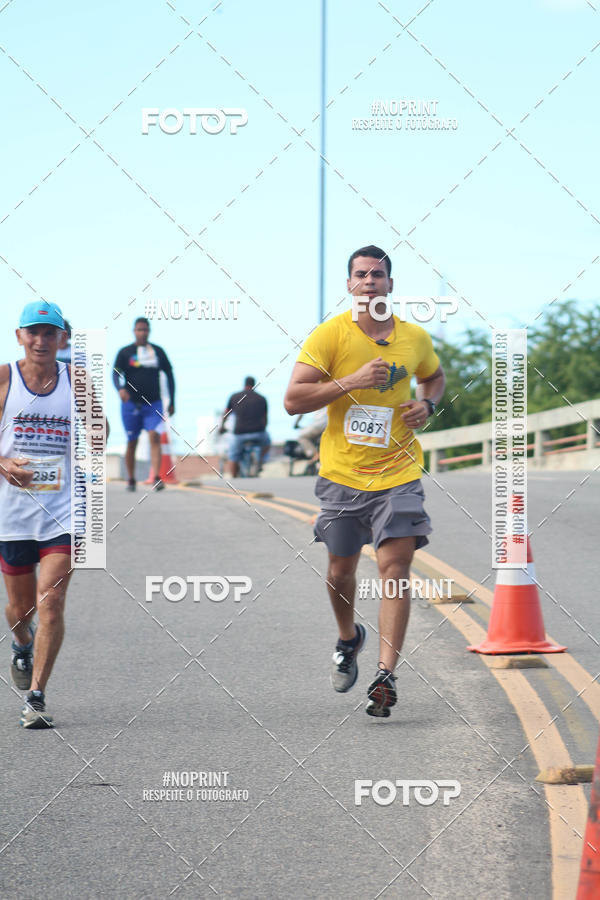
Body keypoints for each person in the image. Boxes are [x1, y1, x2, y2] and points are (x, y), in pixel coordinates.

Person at [284, 245, 446, 718]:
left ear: (391, 285)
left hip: (398, 473)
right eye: (361, 275)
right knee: (340, 572)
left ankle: (385, 673)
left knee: (394, 567)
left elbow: (433, 378)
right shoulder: (329, 336)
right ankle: (348, 637)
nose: (370, 282)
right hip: (342, 477)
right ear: (349, 285)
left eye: (378, 275)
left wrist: (428, 405)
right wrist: (350, 381)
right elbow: (293, 400)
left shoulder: (414, 338)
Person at [0, 301, 73, 728]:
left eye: (50, 333)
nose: (42, 341)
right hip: (11, 516)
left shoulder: (75, 380)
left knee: (53, 601)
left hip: (61, 513)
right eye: (34, 332)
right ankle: (20, 643)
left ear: (62, 338)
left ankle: (37, 696)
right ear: (20, 336)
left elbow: (99, 436)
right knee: (19, 609)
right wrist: (3, 463)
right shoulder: (5, 377)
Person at [113, 317, 175, 491]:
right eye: (139, 329)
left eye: (145, 330)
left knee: (154, 437)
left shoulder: (158, 352)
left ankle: (156, 476)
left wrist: (172, 400)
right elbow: (115, 373)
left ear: (149, 331)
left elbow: (169, 375)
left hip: (153, 403)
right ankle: (131, 479)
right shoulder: (125, 352)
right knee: (132, 441)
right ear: (134, 331)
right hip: (131, 404)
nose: (142, 333)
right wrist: (119, 389)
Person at [220, 377, 270, 477]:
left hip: (239, 433)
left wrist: (222, 427)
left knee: (233, 456)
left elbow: (226, 414)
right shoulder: (261, 398)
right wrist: (263, 428)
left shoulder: (235, 397)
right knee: (267, 443)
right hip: (258, 433)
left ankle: (234, 477)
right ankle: (260, 461)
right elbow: (265, 418)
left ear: (244, 384)